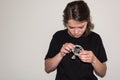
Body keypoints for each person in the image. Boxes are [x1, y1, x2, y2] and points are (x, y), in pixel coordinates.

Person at [44, 0, 108, 80]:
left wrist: (93, 59)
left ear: (87, 22)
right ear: (66, 23)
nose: (76, 32)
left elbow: (102, 73)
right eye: (71, 27)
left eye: (81, 27)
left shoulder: (95, 38)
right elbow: (47, 68)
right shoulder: (58, 37)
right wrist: (60, 54)